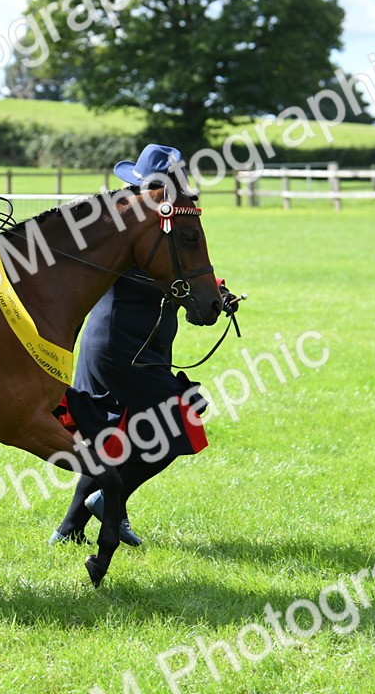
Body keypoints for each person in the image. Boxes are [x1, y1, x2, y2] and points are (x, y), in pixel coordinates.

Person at [50, 144, 241, 546]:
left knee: (113, 439)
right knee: (177, 424)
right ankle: (109, 502)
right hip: (121, 345)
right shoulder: (125, 224)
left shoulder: (160, 221)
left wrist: (215, 293)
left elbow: (178, 271)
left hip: (142, 343)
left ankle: (69, 530)